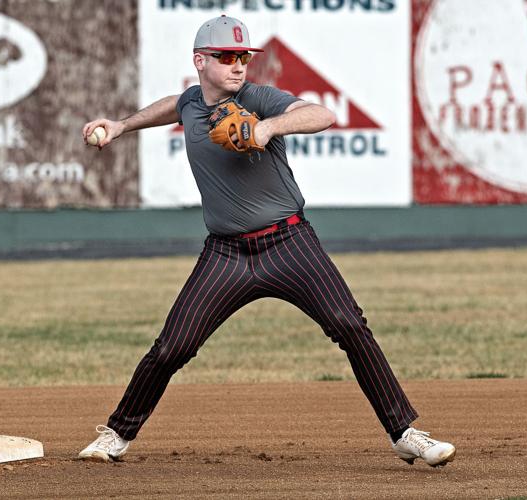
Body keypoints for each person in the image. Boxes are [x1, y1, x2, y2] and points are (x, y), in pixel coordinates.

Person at [78, 15, 455, 468]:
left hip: (290, 243)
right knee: (172, 347)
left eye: (243, 56)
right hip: (226, 254)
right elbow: (174, 105)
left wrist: (267, 128)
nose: (238, 65)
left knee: (350, 326)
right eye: (226, 57)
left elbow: (323, 114)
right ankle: (116, 435)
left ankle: (405, 433)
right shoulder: (192, 103)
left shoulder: (255, 99)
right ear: (200, 61)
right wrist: (121, 125)